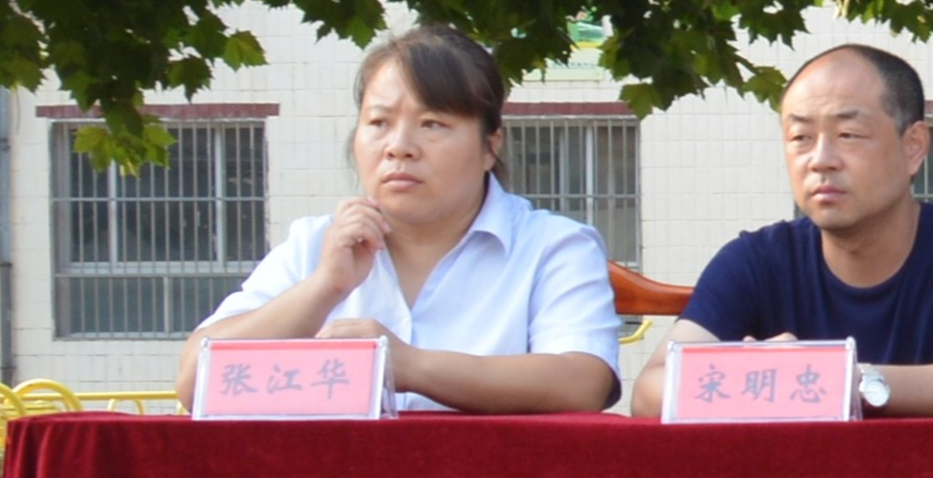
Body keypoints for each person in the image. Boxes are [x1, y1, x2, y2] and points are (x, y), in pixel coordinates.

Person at [191, 24, 620, 413]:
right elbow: (195, 379)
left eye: (432, 124)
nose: (399, 147)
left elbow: (582, 382)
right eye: (379, 122)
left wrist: (408, 365)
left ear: (491, 146)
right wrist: (324, 287)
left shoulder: (553, 246)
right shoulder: (314, 244)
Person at [627, 43, 933, 417]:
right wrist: (759, 377)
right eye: (800, 137)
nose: (820, 160)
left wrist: (834, 380)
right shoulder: (757, 259)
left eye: (848, 134)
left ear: (914, 146)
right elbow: (649, 391)